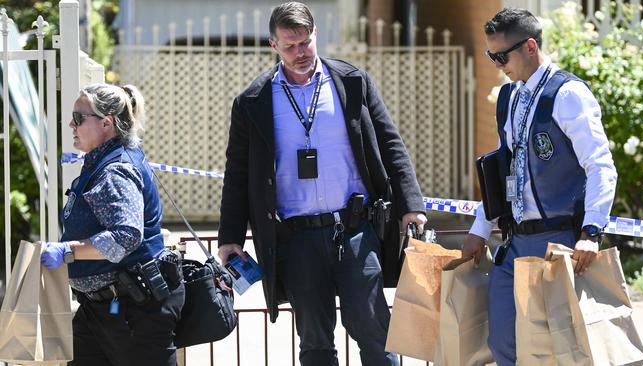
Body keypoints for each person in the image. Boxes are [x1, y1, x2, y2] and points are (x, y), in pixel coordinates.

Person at [217, 2, 426, 365]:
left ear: (316, 35)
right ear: (273, 45)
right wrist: (230, 236)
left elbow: (391, 144)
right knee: (315, 341)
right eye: (290, 46)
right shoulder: (253, 101)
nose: (300, 53)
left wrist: (411, 206)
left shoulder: (351, 83)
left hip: (356, 231)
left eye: (306, 42)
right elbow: (237, 174)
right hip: (297, 239)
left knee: (374, 329)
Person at [462, 8, 618, 365]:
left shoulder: (568, 94)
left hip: (560, 243)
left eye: (502, 55)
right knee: (502, 342)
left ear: (530, 46)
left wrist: (591, 232)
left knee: (559, 352)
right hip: (515, 241)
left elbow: (600, 166)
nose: (497, 64)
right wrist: (479, 229)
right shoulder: (508, 96)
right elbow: (503, 169)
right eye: (491, 55)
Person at [40, 84, 184, 366]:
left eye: (78, 118)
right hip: (104, 308)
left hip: (134, 311)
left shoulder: (115, 169)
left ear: (106, 123)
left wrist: (67, 251)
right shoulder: (102, 160)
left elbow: (126, 236)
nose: (71, 124)